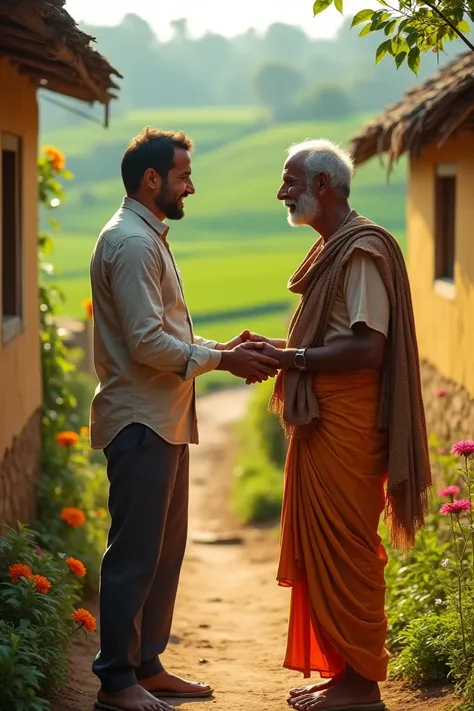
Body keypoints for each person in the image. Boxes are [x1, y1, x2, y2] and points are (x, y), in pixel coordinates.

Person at [89, 127, 279, 711]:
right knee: (135, 554)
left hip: (162, 420)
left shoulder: (146, 236)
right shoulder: (133, 242)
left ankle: (146, 664)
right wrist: (223, 358)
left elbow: (163, 334)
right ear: (152, 179)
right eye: (183, 175)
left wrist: (222, 346)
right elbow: (148, 344)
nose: (190, 186)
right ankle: (117, 683)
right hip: (141, 421)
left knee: (163, 553)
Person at [242, 139, 431, 711]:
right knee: (329, 549)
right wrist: (279, 350)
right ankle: (344, 673)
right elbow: (325, 343)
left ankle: (362, 686)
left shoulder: (361, 251)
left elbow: (366, 349)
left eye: (290, 181)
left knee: (348, 549)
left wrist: (290, 359)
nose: (282, 192)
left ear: (323, 185)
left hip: (350, 427)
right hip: (327, 423)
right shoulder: (336, 248)